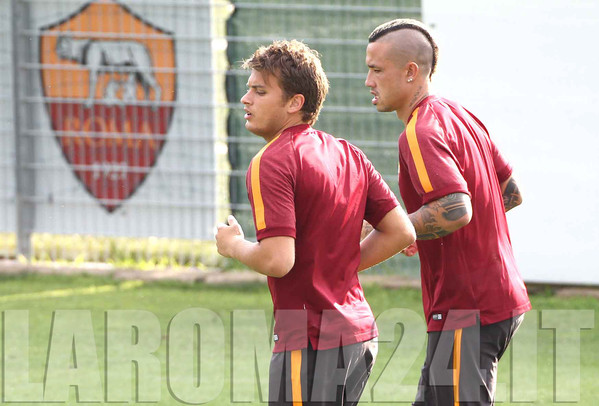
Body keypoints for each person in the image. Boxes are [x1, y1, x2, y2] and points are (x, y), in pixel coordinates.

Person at [215, 40, 416, 405]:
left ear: (295, 103)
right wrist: (337, 266)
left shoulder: (272, 160)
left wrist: (233, 246)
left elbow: (278, 261)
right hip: (358, 335)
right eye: (248, 90)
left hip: (309, 338)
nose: (246, 100)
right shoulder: (348, 153)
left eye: (260, 91)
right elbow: (400, 231)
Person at [365, 19, 532, 406]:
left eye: (376, 70)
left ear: (410, 72)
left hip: (467, 308)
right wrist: (424, 228)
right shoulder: (461, 114)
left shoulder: (419, 132)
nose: (368, 81)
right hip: (498, 298)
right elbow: (509, 193)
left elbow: (455, 209)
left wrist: (404, 227)